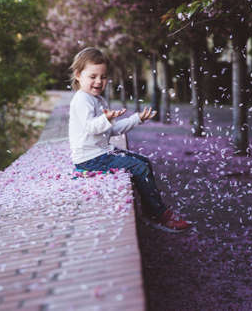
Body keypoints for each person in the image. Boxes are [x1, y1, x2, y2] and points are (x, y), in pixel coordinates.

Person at [68, 47, 191, 232]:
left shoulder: (98, 100)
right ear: (78, 75)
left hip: (102, 153)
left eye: (103, 77)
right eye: (93, 76)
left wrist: (137, 119)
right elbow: (90, 127)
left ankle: (151, 211)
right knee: (138, 167)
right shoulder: (81, 99)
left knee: (143, 162)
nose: (98, 81)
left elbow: (111, 130)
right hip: (89, 159)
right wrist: (105, 119)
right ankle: (160, 215)